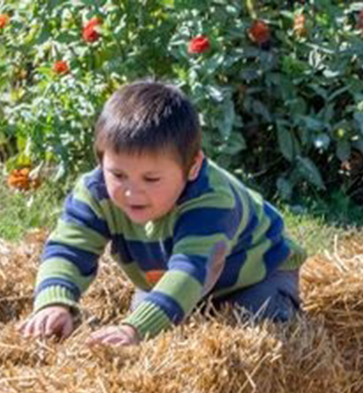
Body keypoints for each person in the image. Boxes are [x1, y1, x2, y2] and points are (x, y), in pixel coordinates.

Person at [19, 80, 304, 347]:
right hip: (166, 274)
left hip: (254, 275)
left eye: (151, 179)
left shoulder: (213, 201)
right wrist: (54, 302)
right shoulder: (95, 192)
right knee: (152, 340)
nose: (132, 192)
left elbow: (192, 270)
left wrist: (135, 329)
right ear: (101, 159)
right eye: (118, 174)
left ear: (192, 167)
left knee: (255, 332)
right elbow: (69, 247)